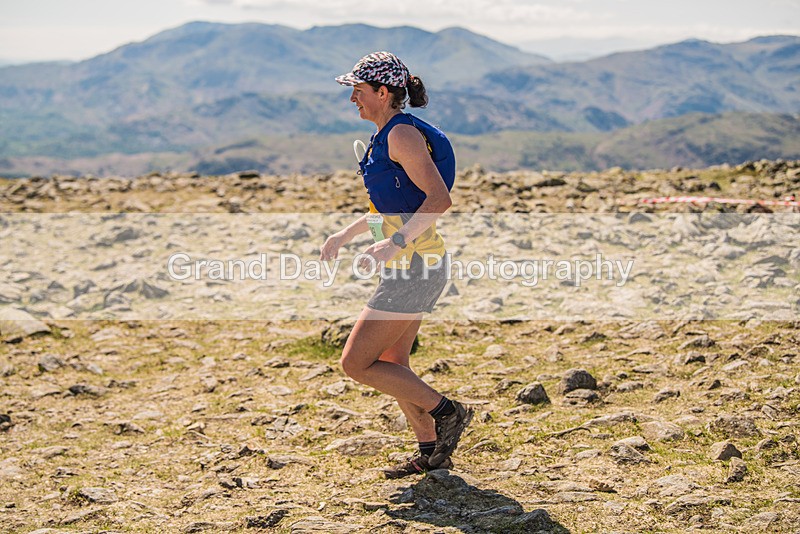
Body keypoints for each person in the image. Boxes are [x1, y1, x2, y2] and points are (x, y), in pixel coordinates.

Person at [320, 51, 473, 478]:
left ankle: (449, 412)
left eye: (358, 90)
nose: (353, 98)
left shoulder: (401, 135)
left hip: (416, 265)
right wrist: (345, 235)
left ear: (383, 92)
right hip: (415, 264)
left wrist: (394, 243)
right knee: (394, 360)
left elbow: (439, 200)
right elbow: (388, 204)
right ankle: (431, 450)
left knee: (356, 363)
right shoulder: (389, 132)